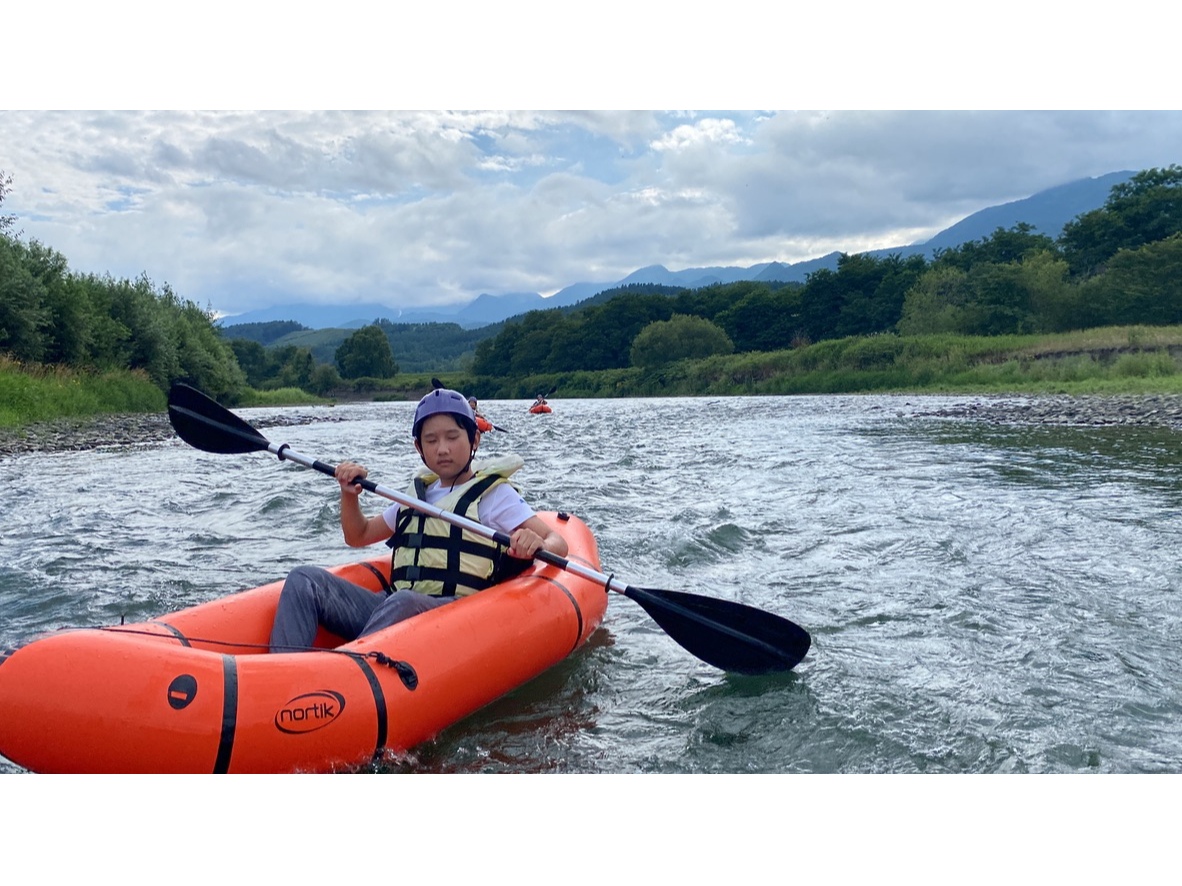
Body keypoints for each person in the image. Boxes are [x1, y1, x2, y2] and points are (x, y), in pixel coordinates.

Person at [268, 387, 567, 653]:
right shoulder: (416, 495)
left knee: (405, 601)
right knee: (304, 579)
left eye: (452, 437)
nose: (443, 449)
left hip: (455, 614)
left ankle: (343, 670)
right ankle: (283, 671)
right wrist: (349, 494)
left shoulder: (494, 496)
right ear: (418, 447)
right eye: (431, 440)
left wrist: (536, 541)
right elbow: (358, 535)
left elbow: (559, 543)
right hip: (395, 606)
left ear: (474, 438)